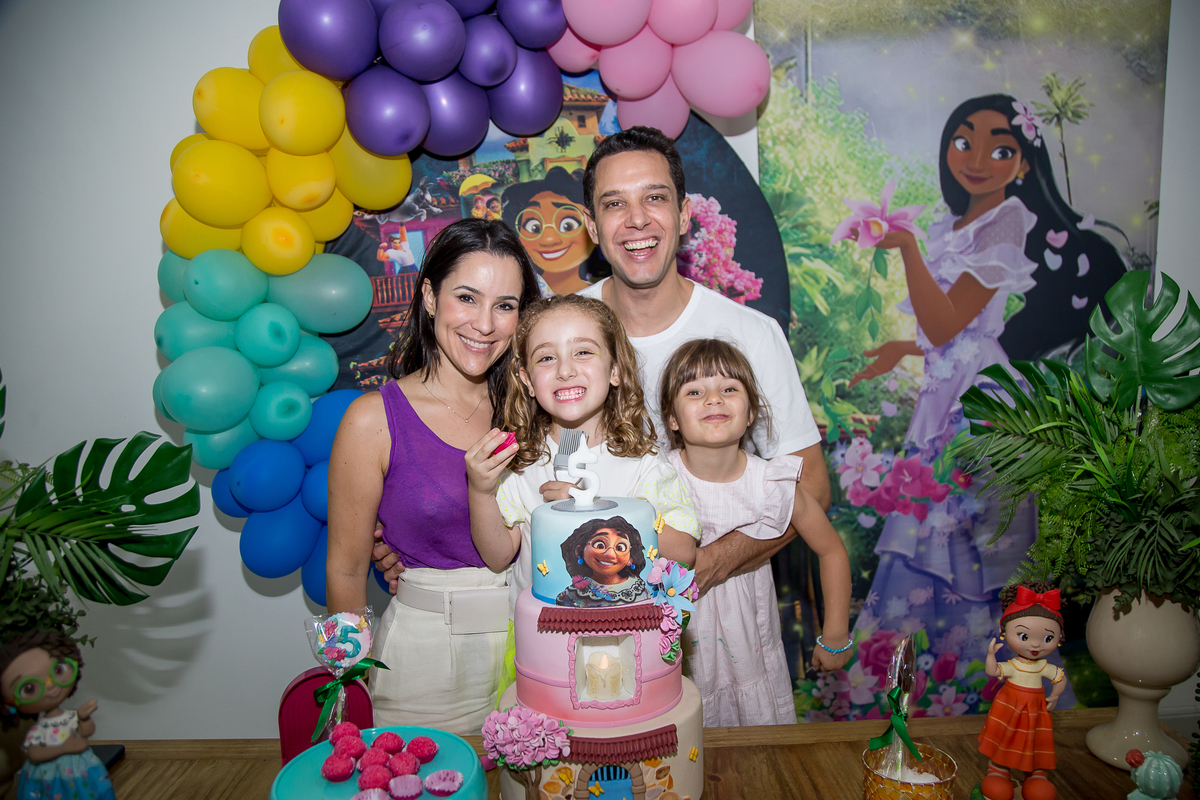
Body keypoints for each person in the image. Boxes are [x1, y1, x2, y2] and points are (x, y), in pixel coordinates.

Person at [837, 94, 1122, 717]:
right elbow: (949, 331)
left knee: (963, 549)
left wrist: (907, 249)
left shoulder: (1007, 220)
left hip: (976, 405)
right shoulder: (955, 223)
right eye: (964, 142)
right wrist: (901, 348)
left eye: (1001, 148)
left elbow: (948, 324)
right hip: (946, 392)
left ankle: (977, 695)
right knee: (929, 540)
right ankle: (930, 692)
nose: (976, 159)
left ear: (1024, 163)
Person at [575, 125, 832, 598]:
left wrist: (709, 564)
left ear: (684, 214)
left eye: (655, 198)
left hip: (725, 608)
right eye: (614, 204)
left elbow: (811, 485)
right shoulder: (560, 335)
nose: (637, 220)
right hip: (590, 604)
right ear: (591, 226)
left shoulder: (751, 334)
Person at [326, 218, 541, 736]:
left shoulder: (538, 411)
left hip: (537, 655)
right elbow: (347, 572)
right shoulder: (373, 419)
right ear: (429, 296)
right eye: (466, 298)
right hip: (423, 668)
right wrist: (347, 688)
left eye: (505, 306)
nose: (484, 324)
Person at [464, 293, 700, 619]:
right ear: (527, 380)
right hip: (539, 638)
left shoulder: (643, 463)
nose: (565, 370)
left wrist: (594, 508)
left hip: (623, 635)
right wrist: (480, 491)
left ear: (615, 369)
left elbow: (684, 552)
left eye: (583, 352)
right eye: (546, 358)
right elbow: (498, 556)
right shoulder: (522, 462)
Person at [659, 338, 853, 727]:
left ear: (750, 413)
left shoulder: (773, 484)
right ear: (672, 418)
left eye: (729, 389)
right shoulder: (655, 478)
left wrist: (835, 635)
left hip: (750, 651)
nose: (713, 399)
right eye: (695, 392)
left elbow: (832, 551)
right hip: (675, 654)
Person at [1, 630, 116, 800]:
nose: (49, 686)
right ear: (7, 703)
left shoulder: (70, 716)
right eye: (29, 688)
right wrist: (65, 748)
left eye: (58, 670)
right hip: (48, 778)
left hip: (81, 772)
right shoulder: (38, 730)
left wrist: (84, 718)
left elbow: (86, 732)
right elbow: (34, 753)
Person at [978, 581, 1067, 800]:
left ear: (1059, 638)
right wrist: (990, 655)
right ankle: (998, 769)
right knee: (1005, 738)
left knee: (1035, 740)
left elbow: (1060, 677)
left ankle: (1036, 774)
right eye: (1024, 636)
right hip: (1009, 710)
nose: (1035, 645)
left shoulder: (1043, 666)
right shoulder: (1014, 665)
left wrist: (1055, 695)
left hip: (1036, 713)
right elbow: (993, 671)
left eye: (1047, 638)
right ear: (1004, 632)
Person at [500, 166, 599, 296]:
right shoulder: (517, 296)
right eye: (534, 227)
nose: (549, 239)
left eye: (568, 226)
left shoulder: (602, 295)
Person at [555, 517, 650, 607]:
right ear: (579, 551)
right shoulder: (574, 594)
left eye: (620, 547)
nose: (610, 554)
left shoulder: (638, 589)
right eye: (600, 545)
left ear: (631, 558)